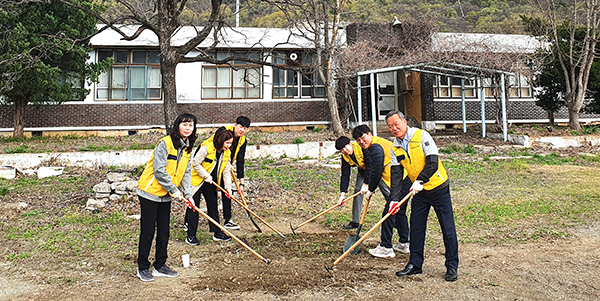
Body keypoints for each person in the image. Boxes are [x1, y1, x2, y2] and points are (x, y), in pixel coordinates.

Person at [386, 110, 459, 282]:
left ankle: (451, 266)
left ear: (404, 121)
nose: (394, 128)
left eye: (397, 124)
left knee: (447, 228)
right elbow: (396, 176)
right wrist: (394, 199)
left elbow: (433, 161)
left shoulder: (421, 136)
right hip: (419, 193)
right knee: (417, 228)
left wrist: (420, 180)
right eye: (390, 126)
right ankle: (415, 264)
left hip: (438, 188)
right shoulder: (395, 147)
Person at [136, 113, 197, 282]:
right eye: (184, 124)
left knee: (164, 231)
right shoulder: (165, 143)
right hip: (150, 193)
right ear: (177, 125)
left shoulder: (188, 147)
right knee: (148, 231)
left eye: (191, 125)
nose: (187, 128)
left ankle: (160, 265)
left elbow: (186, 172)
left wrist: (188, 195)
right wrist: (173, 190)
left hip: (165, 195)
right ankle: (142, 267)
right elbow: (159, 170)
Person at [352, 124, 410, 258]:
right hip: (403, 179)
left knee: (388, 212)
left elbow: (376, 170)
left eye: (363, 137)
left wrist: (371, 189)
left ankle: (386, 246)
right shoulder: (375, 145)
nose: (361, 142)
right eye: (358, 140)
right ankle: (404, 243)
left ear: (370, 134)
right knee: (399, 212)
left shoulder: (376, 148)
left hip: (402, 180)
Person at [198, 116, 251, 230]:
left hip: (223, 166)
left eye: (245, 128)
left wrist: (241, 182)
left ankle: (228, 219)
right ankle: (189, 222)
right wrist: (224, 162)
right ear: (235, 125)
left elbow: (240, 160)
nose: (242, 130)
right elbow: (215, 146)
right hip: (207, 163)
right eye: (240, 127)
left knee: (227, 190)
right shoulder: (223, 130)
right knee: (198, 191)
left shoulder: (243, 141)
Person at [186, 128, 234, 244]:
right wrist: (206, 176)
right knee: (194, 207)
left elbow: (226, 172)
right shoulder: (207, 148)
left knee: (213, 206)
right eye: (227, 143)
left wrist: (228, 188)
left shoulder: (227, 153)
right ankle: (191, 236)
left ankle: (217, 232)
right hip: (197, 180)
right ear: (221, 140)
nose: (229, 146)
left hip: (211, 183)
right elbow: (195, 163)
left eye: (230, 143)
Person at [334, 136, 370, 230]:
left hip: (376, 169)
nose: (345, 151)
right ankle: (355, 222)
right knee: (358, 192)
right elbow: (345, 175)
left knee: (386, 191)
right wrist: (343, 194)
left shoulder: (362, 148)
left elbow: (370, 166)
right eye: (342, 150)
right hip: (363, 171)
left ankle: (395, 212)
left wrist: (366, 184)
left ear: (350, 143)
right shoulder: (345, 157)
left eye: (346, 147)